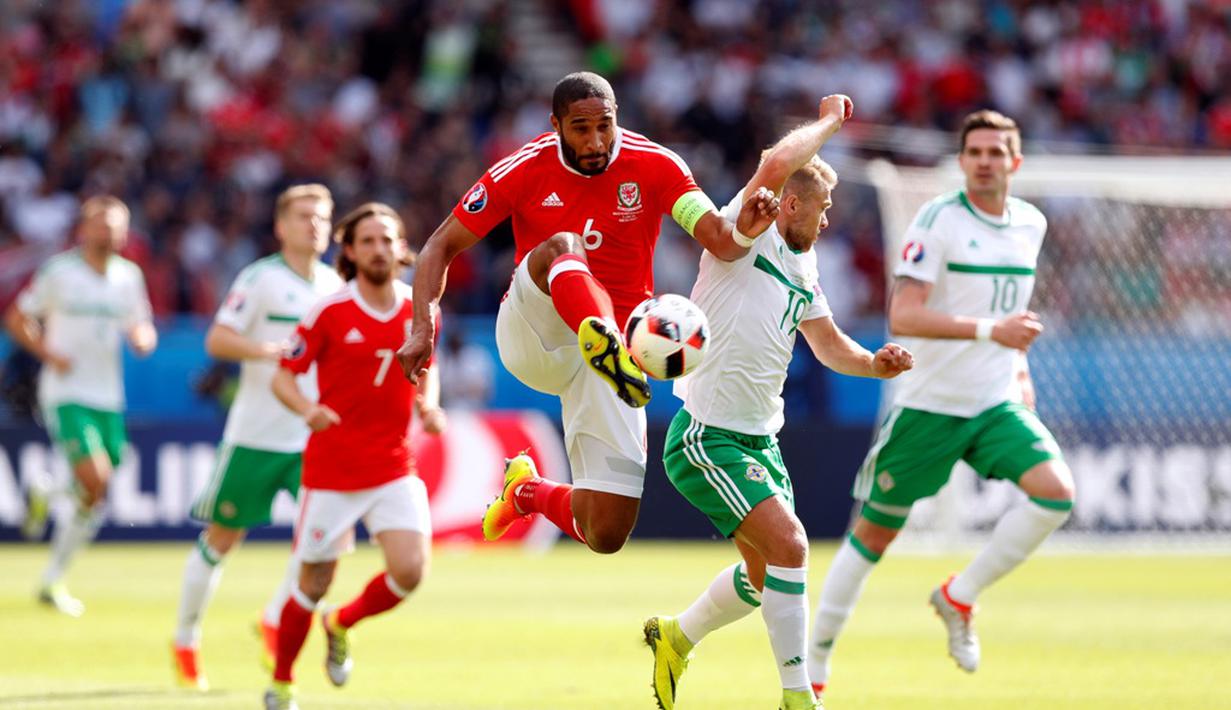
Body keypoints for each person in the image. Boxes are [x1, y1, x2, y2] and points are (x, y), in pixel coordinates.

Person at [397, 71, 778, 554]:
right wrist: (422, 328)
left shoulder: (657, 166)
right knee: (562, 244)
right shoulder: (523, 167)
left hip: (610, 361)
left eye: (606, 124)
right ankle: (600, 337)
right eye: (581, 127)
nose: (597, 139)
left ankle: (526, 491)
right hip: (537, 334)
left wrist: (743, 231)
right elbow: (438, 246)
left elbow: (720, 241)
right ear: (555, 124)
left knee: (606, 530)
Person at [642, 96, 914, 710]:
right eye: (822, 208)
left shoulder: (805, 266)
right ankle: (799, 700)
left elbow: (827, 343)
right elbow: (776, 159)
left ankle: (676, 637)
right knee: (792, 546)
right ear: (792, 202)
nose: (827, 220)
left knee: (767, 577)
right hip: (706, 435)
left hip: (760, 438)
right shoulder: (752, 226)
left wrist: (874, 363)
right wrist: (831, 122)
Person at [807, 110, 1076, 696]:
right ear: (962, 162)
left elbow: (1013, 314)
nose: (985, 161)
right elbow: (903, 314)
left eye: (996, 152)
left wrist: (1018, 365)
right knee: (873, 538)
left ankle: (960, 595)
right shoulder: (938, 220)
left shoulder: (1031, 223)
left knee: (1056, 494)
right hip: (930, 405)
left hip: (994, 401)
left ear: (1015, 161)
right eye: (975, 151)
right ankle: (814, 669)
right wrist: (990, 333)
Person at [264, 202, 446, 710]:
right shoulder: (329, 310)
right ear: (349, 251)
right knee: (312, 583)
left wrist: (428, 407)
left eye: (388, 239)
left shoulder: (420, 309)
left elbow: (426, 365)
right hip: (332, 471)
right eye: (367, 240)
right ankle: (281, 682)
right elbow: (283, 376)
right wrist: (308, 409)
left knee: (410, 571)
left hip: (393, 464)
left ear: (402, 248)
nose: (379, 249)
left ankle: (342, 622)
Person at [171, 184, 344, 690]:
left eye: (321, 217)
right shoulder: (261, 278)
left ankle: (274, 617)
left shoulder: (335, 284)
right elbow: (217, 339)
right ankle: (185, 639)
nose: (313, 224)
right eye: (303, 216)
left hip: (311, 434)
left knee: (327, 541)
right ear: (281, 226)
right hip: (257, 434)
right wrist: (267, 349)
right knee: (223, 539)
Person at [4, 195, 157, 616]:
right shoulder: (60, 272)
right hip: (66, 391)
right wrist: (49, 354)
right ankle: (52, 512)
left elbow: (139, 320)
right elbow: (18, 317)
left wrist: (143, 337)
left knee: (98, 488)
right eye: (101, 224)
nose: (108, 233)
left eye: (116, 226)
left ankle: (52, 562)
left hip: (108, 394)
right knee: (96, 477)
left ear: (126, 233)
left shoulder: (128, 276)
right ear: (84, 229)